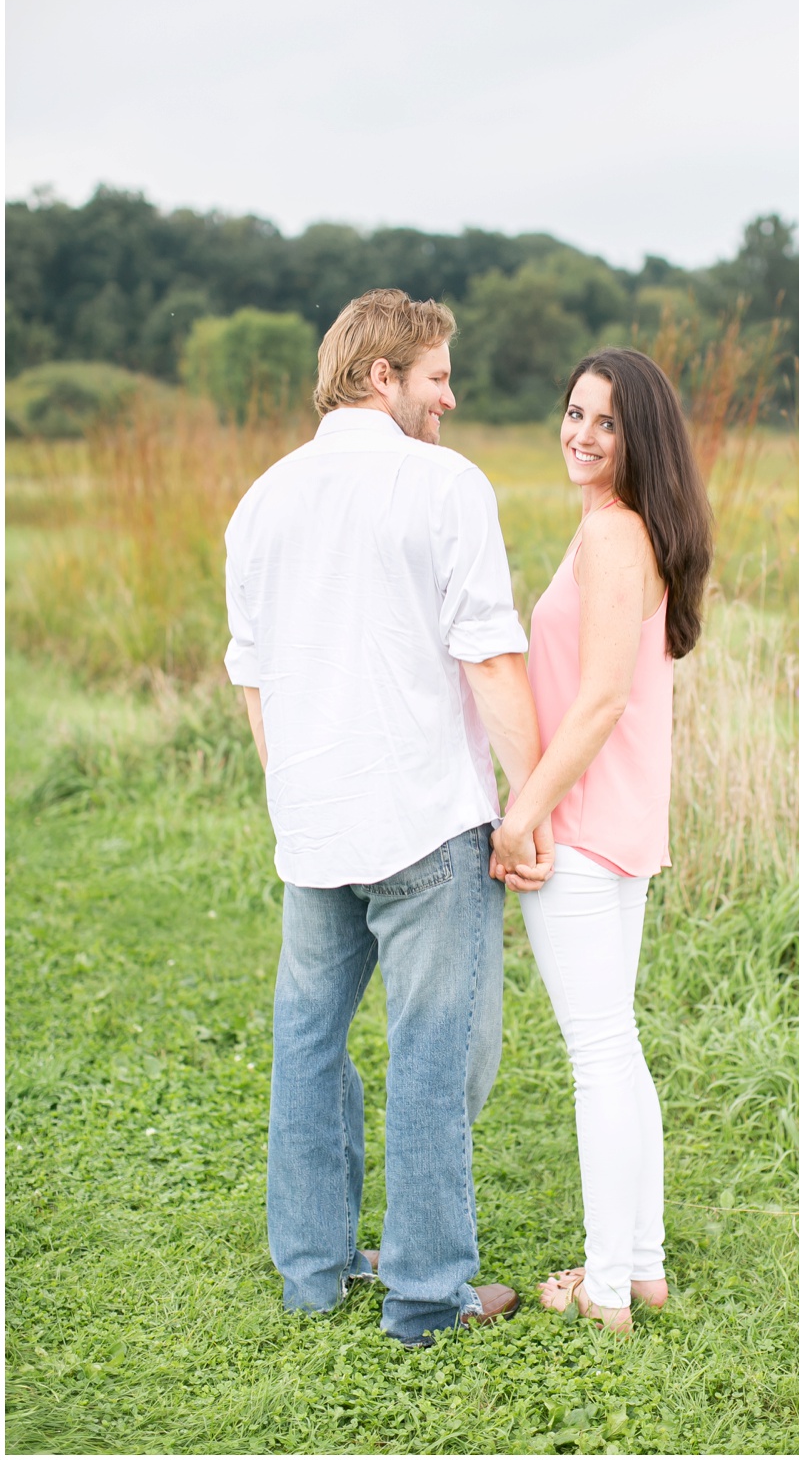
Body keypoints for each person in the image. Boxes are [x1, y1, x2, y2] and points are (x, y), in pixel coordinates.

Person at [226, 289, 554, 1347]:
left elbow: (254, 678)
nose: (449, 397)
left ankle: (313, 1276)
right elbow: (491, 655)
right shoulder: (443, 485)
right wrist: (529, 801)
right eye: (437, 375)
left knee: (307, 1047)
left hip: (315, 827)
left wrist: (299, 790)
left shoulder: (261, 502)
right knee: (432, 1052)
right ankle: (423, 1298)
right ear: (383, 375)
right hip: (425, 820)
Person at [494, 347, 713, 1335]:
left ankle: (610, 1291)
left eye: (605, 421)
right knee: (615, 1050)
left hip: (581, 828)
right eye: (573, 411)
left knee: (597, 1056)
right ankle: (645, 1268)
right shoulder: (613, 526)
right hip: (612, 823)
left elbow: (599, 700)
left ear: (639, 438)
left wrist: (523, 810)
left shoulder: (615, 534)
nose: (580, 433)